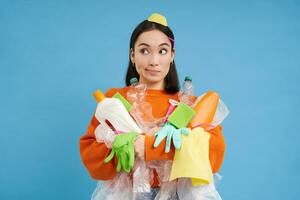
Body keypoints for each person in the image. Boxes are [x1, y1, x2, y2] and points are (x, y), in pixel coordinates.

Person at [79, 13, 226, 199]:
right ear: (132, 55)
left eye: (162, 51)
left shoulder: (189, 105)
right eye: (144, 51)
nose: (154, 61)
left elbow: (212, 157)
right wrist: (126, 147)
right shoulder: (115, 101)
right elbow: (92, 159)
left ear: (172, 55)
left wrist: (150, 147)